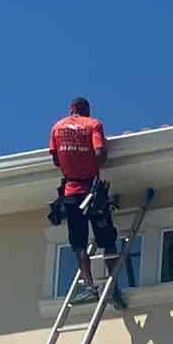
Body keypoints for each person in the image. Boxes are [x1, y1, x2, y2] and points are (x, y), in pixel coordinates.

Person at [48, 97, 127, 305]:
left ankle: (90, 287)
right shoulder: (93, 125)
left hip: (71, 193)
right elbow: (101, 154)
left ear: (71, 109)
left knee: (78, 243)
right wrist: (89, 164)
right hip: (93, 191)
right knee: (107, 239)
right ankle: (113, 287)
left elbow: (56, 159)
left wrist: (71, 162)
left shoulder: (57, 127)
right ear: (87, 110)